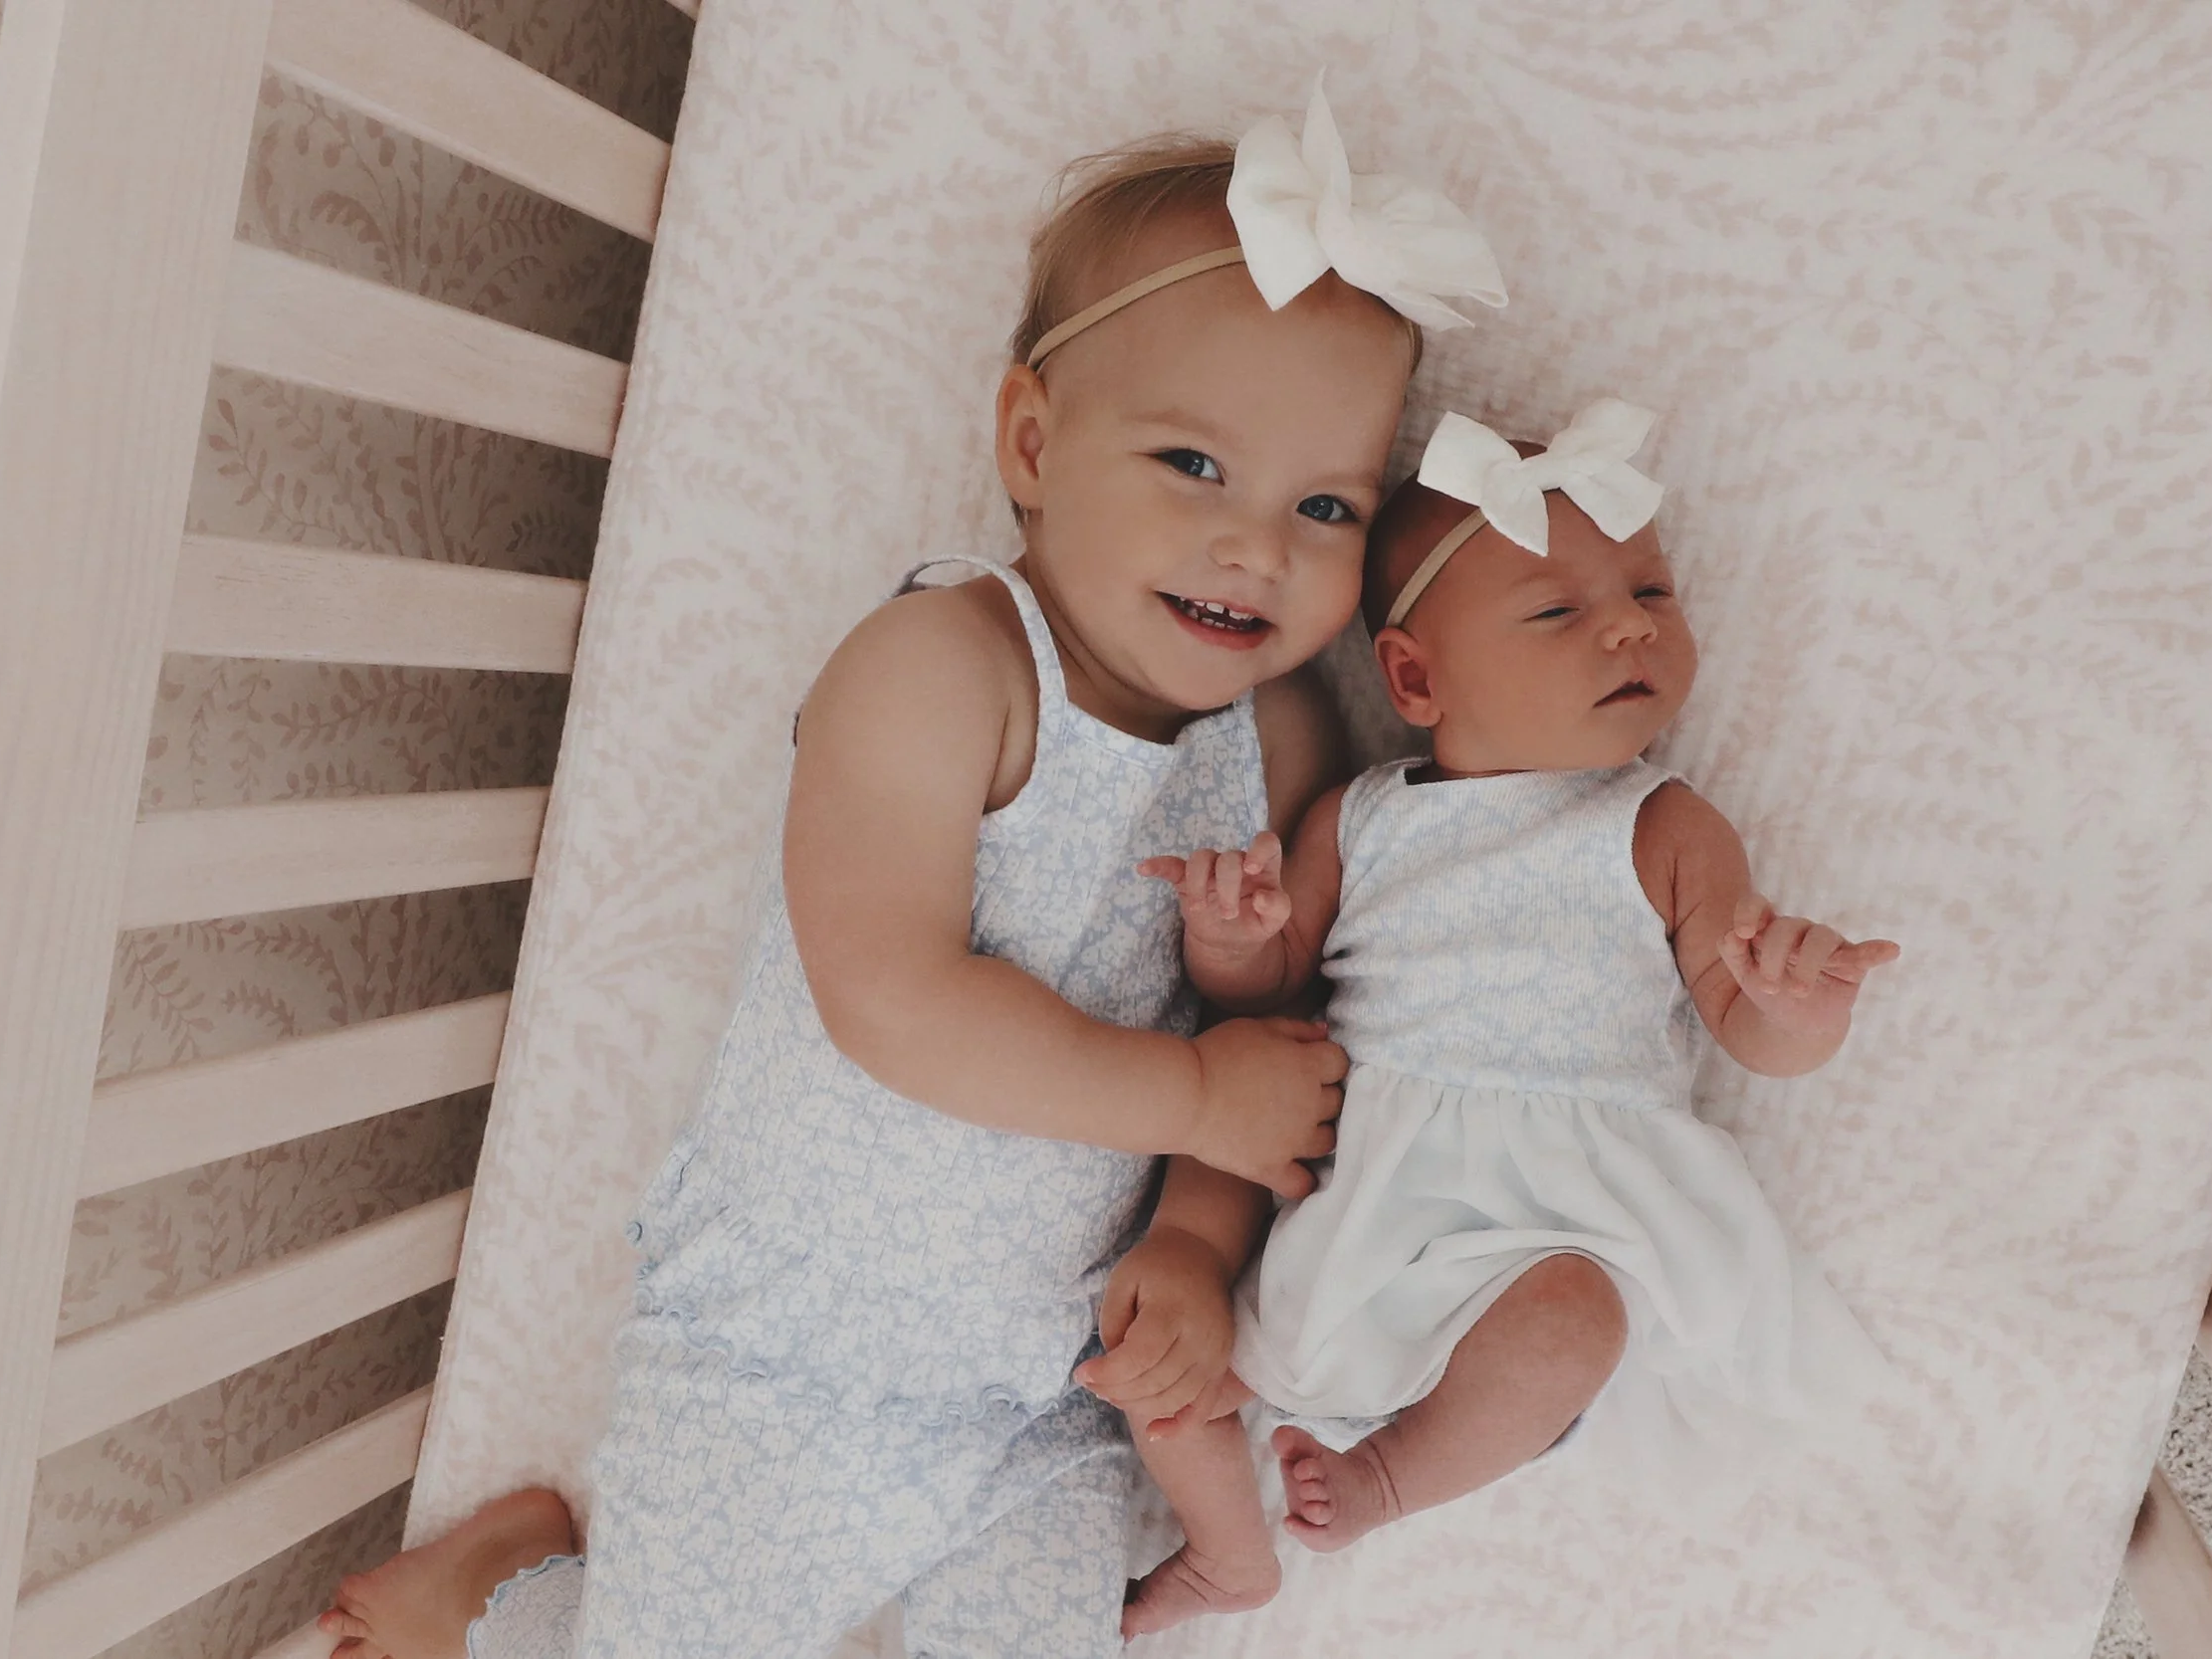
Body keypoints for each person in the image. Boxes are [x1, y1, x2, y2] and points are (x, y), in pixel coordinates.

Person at [315, 88, 1502, 1659]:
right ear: (1033, 441)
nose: (1258, 546)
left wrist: (1194, 1243)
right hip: (786, 1352)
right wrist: (1191, 1097)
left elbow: (1265, 1061)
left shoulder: (1274, 744)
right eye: (1193, 462)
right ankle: (502, 1592)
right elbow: (890, 995)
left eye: (1327, 505)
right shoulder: (945, 662)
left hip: (1049, 1387)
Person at [1114, 400, 1895, 1634]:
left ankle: (1386, 1479)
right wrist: (1233, 929)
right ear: (1414, 678)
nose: (1629, 624)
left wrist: (1798, 1003)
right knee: (1165, 1356)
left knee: (1572, 1318)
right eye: (1556, 611)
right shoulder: (1358, 818)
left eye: (1650, 590)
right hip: (1369, 1192)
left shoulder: (1663, 824)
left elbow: (1747, 1030)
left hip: (1565, 1210)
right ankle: (1228, 1550)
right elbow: (1264, 991)